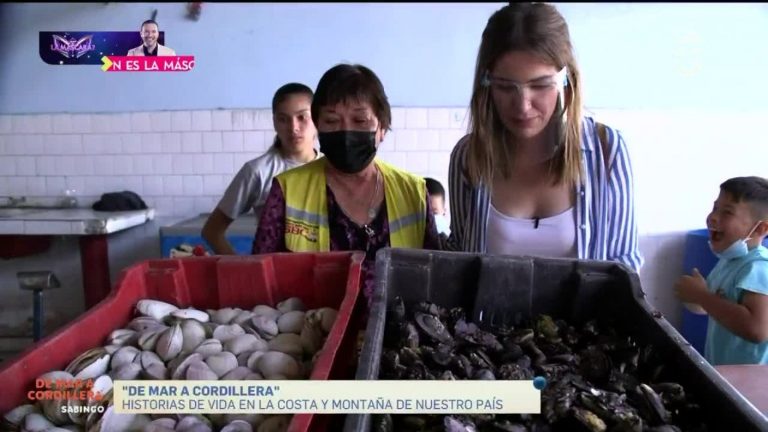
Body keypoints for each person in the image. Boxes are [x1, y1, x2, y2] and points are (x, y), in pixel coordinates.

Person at [446, 3, 642, 271]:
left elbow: (624, 265)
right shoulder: (468, 157)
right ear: (486, 84)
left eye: (540, 85)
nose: (522, 105)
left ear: (567, 81)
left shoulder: (607, 150)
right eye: (505, 87)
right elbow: (458, 258)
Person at [252, 63, 441, 301]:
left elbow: (434, 278)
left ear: (382, 128)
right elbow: (260, 277)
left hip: (395, 322)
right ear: (318, 126)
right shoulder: (287, 190)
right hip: (310, 322)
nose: (346, 132)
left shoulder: (413, 191)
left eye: (360, 120)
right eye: (331, 121)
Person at [202, 83, 319, 255]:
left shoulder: (331, 168)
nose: (293, 127)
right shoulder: (258, 171)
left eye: (302, 117)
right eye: (283, 119)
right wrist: (243, 267)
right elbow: (212, 231)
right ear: (274, 122)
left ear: (317, 118)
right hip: (275, 270)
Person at [675, 176, 768, 365]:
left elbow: (757, 330)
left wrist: (701, 296)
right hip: (725, 372)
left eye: (727, 212)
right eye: (715, 208)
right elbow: (715, 306)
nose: (713, 217)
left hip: (749, 379)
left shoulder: (758, 267)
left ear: (760, 229)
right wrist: (694, 298)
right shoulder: (729, 260)